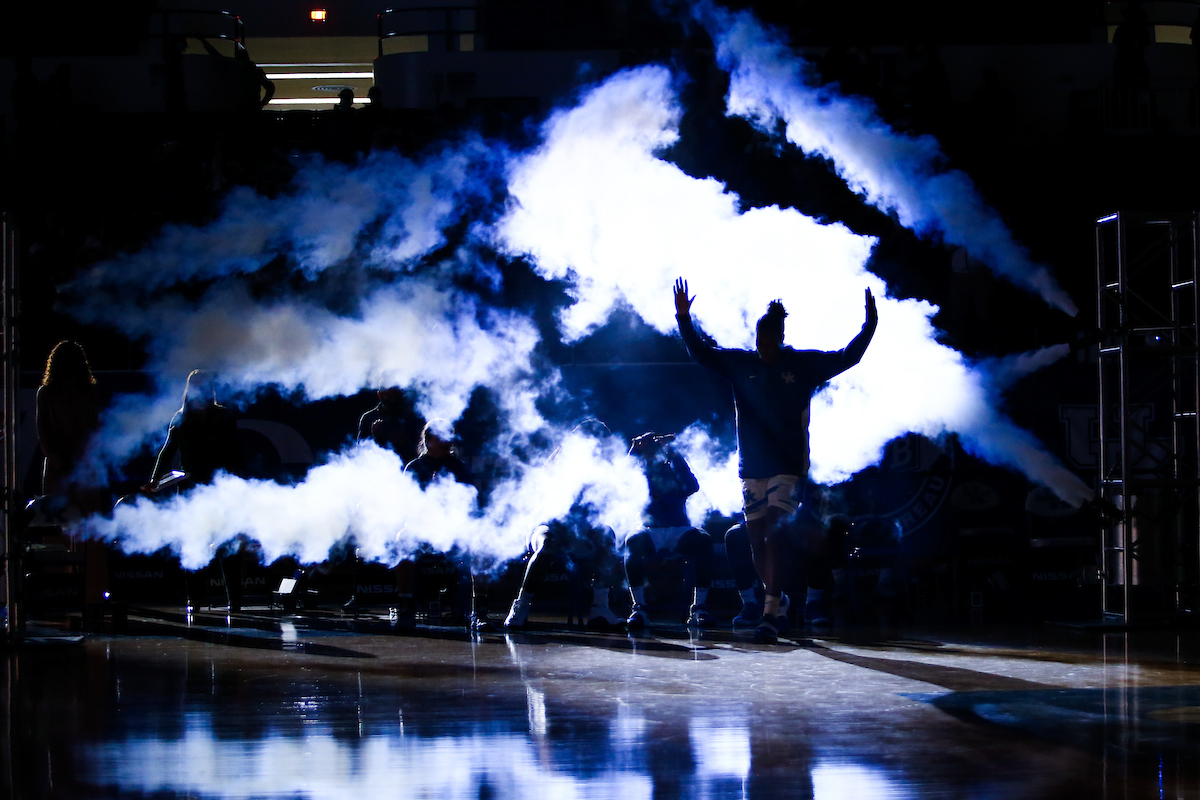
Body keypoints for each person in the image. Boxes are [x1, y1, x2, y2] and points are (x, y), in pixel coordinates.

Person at [674, 277, 877, 642]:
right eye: (759, 343)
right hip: (751, 469)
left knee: (775, 532)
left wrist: (869, 326)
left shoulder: (802, 365)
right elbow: (701, 353)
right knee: (756, 543)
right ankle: (776, 599)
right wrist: (684, 319)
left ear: (782, 340)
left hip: (788, 468)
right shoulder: (741, 364)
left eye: (770, 343)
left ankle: (769, 612)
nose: (763, 349)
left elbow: (850, 357)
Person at [623, 432, 715, 629]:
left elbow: (692, 486)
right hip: (649, 528)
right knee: (632, 541)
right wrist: (634, 449)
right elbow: (622, 479)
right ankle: (639, 608)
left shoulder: (673, 468)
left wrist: (674, 453)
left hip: (678, 528)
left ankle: (699, 607)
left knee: (704, 540)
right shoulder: (640, 470)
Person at [36, 341, 100, 500]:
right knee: (78, 516)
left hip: (72, 463)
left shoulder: (48, 392)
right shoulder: (88, 391)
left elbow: (44, 433)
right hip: (72, 463)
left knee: (65, 516)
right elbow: (96, 428)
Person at [358, 386, 423, 465]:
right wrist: (374, 436)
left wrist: (404, 441)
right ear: (380, 395)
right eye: (389, 397)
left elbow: (422, 448)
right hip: (376, 464)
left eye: (395, 396)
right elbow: (361, 449)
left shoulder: (411, 416)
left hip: (405, 465)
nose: (393, 400)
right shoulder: (369, 418)